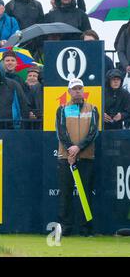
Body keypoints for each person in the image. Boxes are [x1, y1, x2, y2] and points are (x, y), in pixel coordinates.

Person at [55, 78, 99, 237]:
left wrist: (78, 148)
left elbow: (93, 132)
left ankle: (86, 229)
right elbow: (61, 133)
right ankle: (65, 229)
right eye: (74, 89)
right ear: (69, 91)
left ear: (83, 90)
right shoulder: (61, 108)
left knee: (85, 193)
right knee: (65, 194)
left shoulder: (93, 108)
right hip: (65, 158)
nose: (77, 91)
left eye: (80, 88)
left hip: (86, 157)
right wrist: (70, 150)